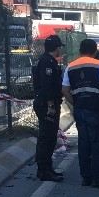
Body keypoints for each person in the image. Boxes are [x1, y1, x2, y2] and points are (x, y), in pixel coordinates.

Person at [62, 39, 99, 188]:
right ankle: (97, 178)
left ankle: (86, 177)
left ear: (80, 50)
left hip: (80, 109)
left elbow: (65, 90)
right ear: (94, 51)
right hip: (96, 109)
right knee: (98, 143)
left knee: (84, 143)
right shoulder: (98, 65)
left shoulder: (70, 67)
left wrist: (76, 103)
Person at [31, 35, 65, 182]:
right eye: (59, 47)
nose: (60, 50)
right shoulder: (47, 63)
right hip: (47, 105)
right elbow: (47, 87)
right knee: (47, 138)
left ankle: (47, 168)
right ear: (55, 48)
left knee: (50, 138)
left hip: (48, 103)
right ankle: (43, 170)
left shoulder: (49, 61)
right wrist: (51, 105)